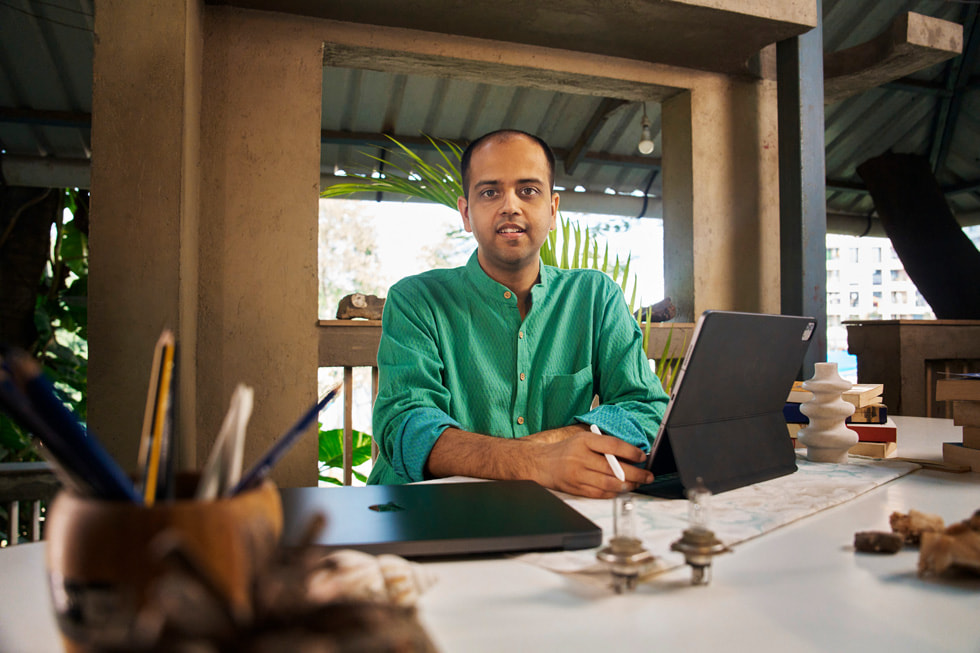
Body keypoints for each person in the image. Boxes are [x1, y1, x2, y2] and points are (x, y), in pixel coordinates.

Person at [367, 129, 669, 498]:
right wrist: (536, 462)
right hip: (427, 509)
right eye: (490, 192)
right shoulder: (416, 300)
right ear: (466, 212)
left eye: (528, 191)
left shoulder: (595, 296)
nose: (510, 205)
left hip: (554, 507)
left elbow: (647, 407)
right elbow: (407, 429)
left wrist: (555, 446)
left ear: (553, 209)